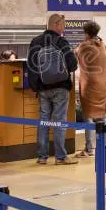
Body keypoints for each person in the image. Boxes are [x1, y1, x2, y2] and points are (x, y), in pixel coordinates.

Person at [28, 13, 79, 165]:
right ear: (56, 24)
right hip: (61, 88)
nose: (64, 28)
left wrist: (36, 87)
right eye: (63, 24)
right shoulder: (62, 41)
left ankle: (42, 157)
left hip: (43, 89)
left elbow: (31, 67)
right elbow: (73, 64)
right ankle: (60, 157)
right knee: (59, 121)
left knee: (43, 121)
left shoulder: (36, 41)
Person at [75, 21, 106, 158]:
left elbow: (75, 55)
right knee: (101, 117)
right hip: (103, 86)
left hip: (89, 88)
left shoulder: (84, 46)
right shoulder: (103, 46)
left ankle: (89, 148)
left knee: (88, 117)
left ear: (86, 34)